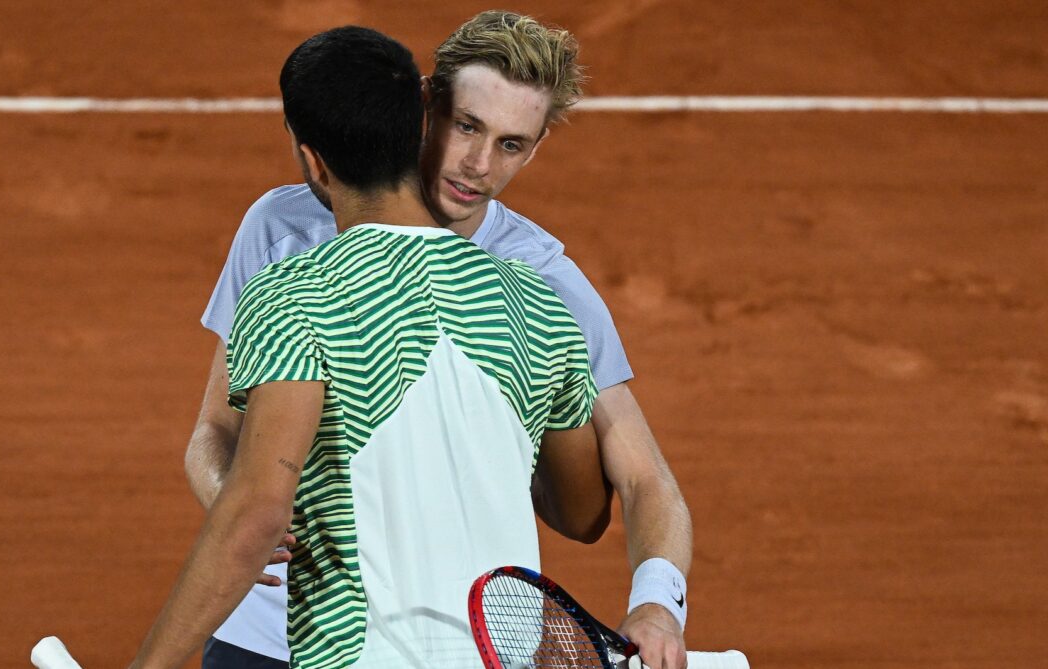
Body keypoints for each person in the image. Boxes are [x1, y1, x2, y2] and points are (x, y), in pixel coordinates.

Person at [192, 11, 694, 669]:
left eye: (512, 144)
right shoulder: (284, 227)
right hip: (270, 633)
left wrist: (658, 603)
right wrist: (248, 516)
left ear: (536, 148)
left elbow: (644, 477)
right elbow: (213, 433)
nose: (479, 166)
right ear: (426, 105)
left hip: (442, 643)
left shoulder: (544, 283)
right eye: (467, 127)